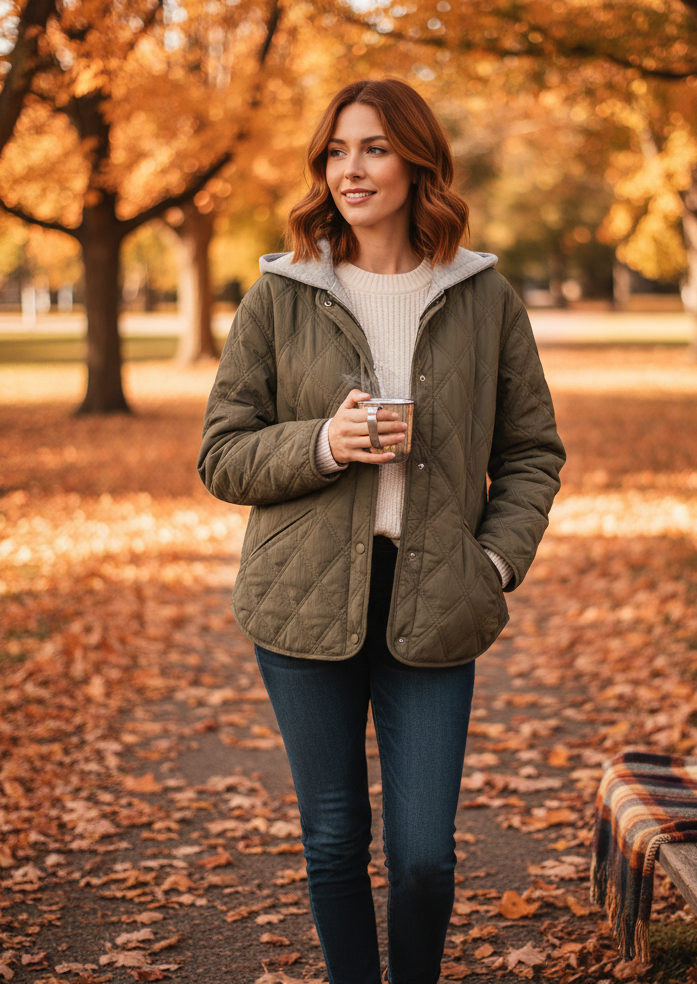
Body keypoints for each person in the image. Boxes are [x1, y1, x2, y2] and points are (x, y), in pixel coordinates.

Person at [198, 78, 565, 984]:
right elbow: (222, 454)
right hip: (302, 600)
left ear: (417, 161)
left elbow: (531, 451)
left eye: (373, 148)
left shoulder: (483, 296)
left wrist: (493, 562)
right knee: (333, 840)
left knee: (425, 858)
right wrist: (323, 443)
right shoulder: (280, 296)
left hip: (437, 597)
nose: (351, 170)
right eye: (336, 152)